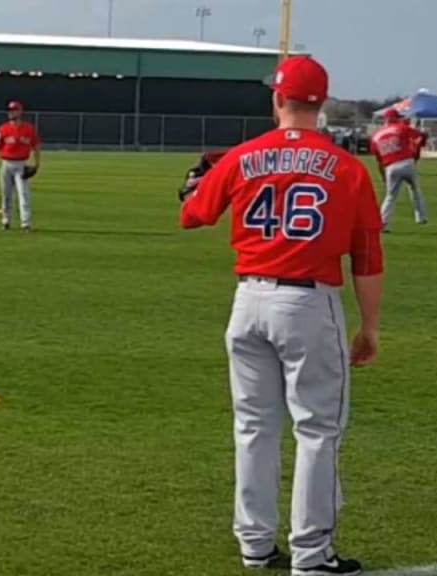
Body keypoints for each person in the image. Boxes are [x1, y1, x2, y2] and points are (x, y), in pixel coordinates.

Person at [179, 55, 384, 576]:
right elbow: (366, 257)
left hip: (248, 301)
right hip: (307, 303)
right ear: (323, 103)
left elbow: (192, 214)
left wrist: (197, 183)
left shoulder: (243, 156)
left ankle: (255, 543)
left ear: (277, 100)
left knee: (254, 427)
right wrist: (370, 326)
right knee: (317, 429)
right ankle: (312, 555)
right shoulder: (346, 167)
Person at [0, 101, 41, 231]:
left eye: (13, 110)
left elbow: (36, 146)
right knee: (6, 195)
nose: (10, 112)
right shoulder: (3, 129)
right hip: (6, 164)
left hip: (21, 165)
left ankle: (25, 223)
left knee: (23, 194)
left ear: (20, 112)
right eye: (9, 110)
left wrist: (37, 164)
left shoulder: (29, 129)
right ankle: (6, 221)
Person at [371, 108, 429, 232]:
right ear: (396, 118)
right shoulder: (401, 128)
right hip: (406, 162)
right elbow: (419, 137)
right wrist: (417, 151)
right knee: (415, 189)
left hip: (390, 167)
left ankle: (383, 223)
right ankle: (421, 217)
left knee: (390, 196)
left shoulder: (376, 136)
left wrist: (382, 175)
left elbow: (379, 160)